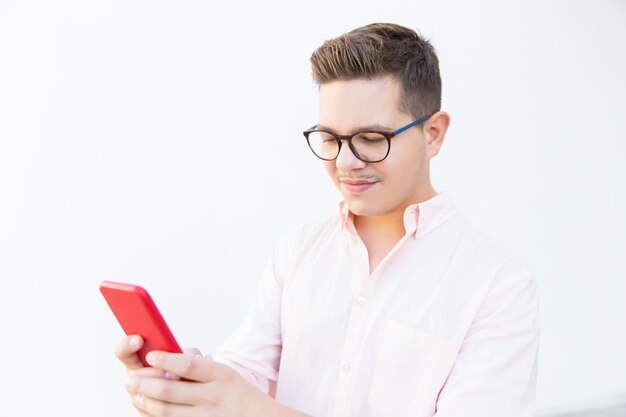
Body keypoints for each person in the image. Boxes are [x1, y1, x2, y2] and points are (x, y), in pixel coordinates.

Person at [115, 22, 541, 417]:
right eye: (330, 139)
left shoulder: (497, 284)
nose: (346, 162)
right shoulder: (298, 251)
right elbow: (246, 375)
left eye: (371, 139)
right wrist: (190, 384)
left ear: (433, 134)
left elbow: (249, 406)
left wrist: (251, 409)